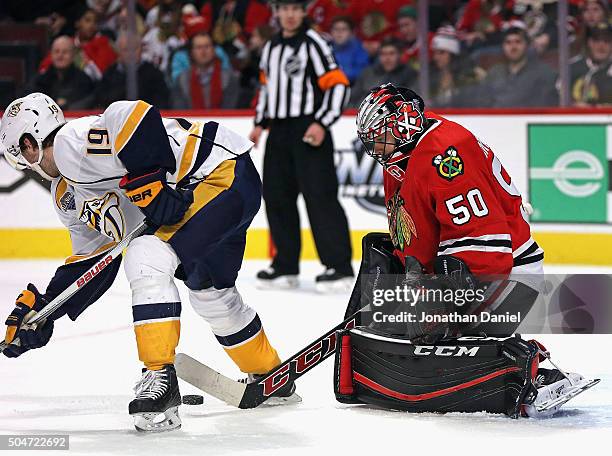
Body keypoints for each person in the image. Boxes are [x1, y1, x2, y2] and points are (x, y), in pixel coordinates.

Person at [0, 93, 299, 433]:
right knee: (210, 293)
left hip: (218, 175)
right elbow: (93, 261)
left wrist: (150, 182)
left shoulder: (71, 143)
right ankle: (271, 376)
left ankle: (159, 376)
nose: (27, 166)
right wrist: (44, 310)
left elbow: (132, 114)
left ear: (29, 144)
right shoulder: (66, 197)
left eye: (21, 156)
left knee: (146, 254)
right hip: (214, 196)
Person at [344, 82, 591, 418]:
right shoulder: (403, 153)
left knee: (439, 339)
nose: (374, 144)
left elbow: (483, 238)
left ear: (403, 123)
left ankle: (531, 370)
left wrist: (449, 300)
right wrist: (407, 264)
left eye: (379, 134)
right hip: (462, 268)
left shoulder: (447, 152)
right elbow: (419, 227)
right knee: (405, 325)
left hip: (506, 271)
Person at [249, 0, 354, 292]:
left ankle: (339, 267)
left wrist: (322, 122)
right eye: (285, 8)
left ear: (304, 12)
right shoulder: (271, 48)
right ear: (277, 12)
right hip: (279, 131)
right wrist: (260, 123)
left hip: (308, 127)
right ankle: (285, 266)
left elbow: (338, 84)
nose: (290, 14)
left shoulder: (313, 43)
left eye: (296, 8)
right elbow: (266, 89)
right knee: (276, 196)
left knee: (320, 197)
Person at [477, 26, 558, 107]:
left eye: (518, 42)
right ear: (503, 46)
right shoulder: (495, 72)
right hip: (496, 117)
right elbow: (482, 100)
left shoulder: (543, 72)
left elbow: (547, 105)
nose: (513, 47)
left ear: (527, 45)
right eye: (508, 42)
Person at [96, 33, 170, 108]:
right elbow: (102, 100)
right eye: (126, 50)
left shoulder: (154, 73)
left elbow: (162, 102)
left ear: (141, 49)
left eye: (134, 49)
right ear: (119, 51)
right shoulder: (109, 74)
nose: (131, 53)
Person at [172, 31, 240, 109]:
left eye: (207, 46)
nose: (203, 51)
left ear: (214, 50)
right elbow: (179, 111)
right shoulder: (181, 79)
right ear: (191, 52)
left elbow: (230, 111)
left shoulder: (229, 78)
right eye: (199, 47)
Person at [27, 36, 96, 110]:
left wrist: (66, 105)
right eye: (56, 51)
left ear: (73, 55)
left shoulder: (84, 80)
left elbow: (87, 102)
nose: (60, 55)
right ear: (51, 54)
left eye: (65, 52)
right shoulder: (39, 80)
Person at [349, 37, 417, 107]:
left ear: (399, 55)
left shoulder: (410, 74)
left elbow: (415, 100)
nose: (387, 58)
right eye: (383, 54)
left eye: (391, 53)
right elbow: (353, 99)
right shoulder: (367, 73)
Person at [570, 22, 612, 106]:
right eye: (596, 40)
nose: (601, 45)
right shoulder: (572, 67)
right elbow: (556, 96)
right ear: (589, 42)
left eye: (607, 41)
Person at [329, 16, 370, 85]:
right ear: (331, 32)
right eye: (336, 29)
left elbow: (363, 72)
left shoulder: (359, 49)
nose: (339, 32)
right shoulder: (325, 48)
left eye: (344, 29)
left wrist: (337, 76)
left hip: (353, 88)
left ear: (352, 33)